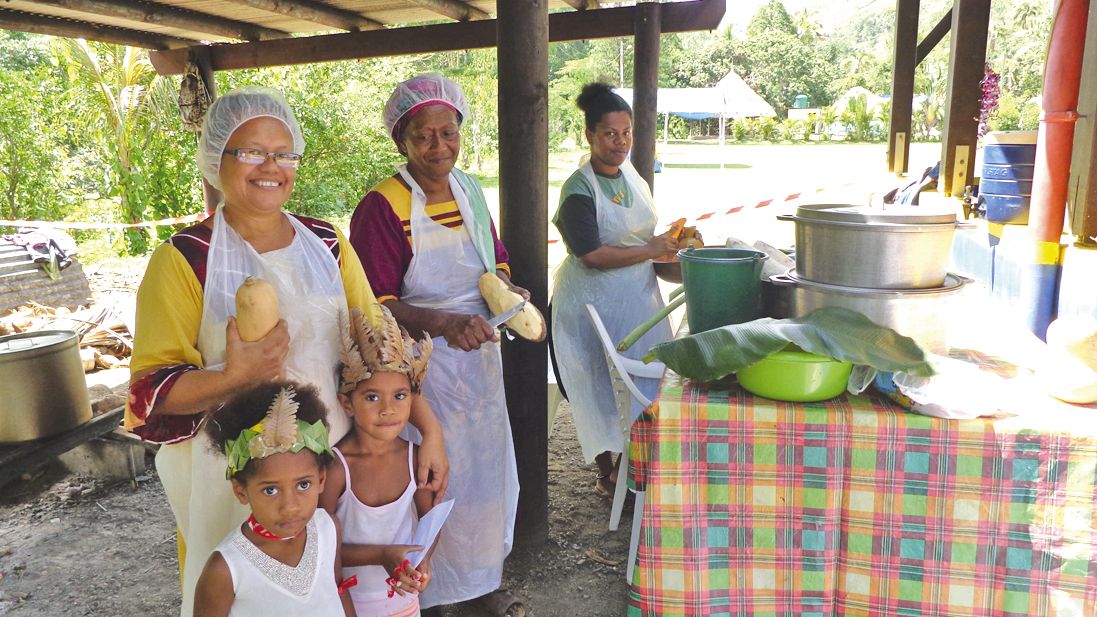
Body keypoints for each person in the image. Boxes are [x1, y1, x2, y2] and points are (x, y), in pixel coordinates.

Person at [125, 86, 448, 617]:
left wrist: (429, 430)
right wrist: (235, 377)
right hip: (235, 482)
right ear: (216, 159)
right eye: (252, 152)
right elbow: (148, 395)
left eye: (284, 153)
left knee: (325, 590)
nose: (271, 167)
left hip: (321, 473)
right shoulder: (184, 259)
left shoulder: (327, 244)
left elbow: (381, 351)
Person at [348, 73, 524, 617]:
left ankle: (481, 581)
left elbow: (494, 259)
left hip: (479, 355)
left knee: (484, 473)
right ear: (401, 140)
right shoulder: (382, 206)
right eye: (423, 136)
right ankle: (431, 592)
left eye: (448, 133)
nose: (438, 147)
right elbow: (375, 304)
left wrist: (505, 290)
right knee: (433, 476)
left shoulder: (469, 189)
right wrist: (444, 324)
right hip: (420, 368)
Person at [550, 82, 676, 496]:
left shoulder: (632, 176)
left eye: (626, 133)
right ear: (589, 135)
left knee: (646, 381)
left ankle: (631, 469)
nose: (620, 142)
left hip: (636, 299)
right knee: (597, 386)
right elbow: (591, 255)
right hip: (590, 302)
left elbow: (640, 236)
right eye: (609, 133)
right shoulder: (578, 189)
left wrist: (668, 249)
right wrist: (650, 250)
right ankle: (608, 474)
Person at [193, 382, 356, 617]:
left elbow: (338, 588)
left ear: (321, 479)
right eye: (270, 490)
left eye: (303, 485)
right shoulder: (226, 569)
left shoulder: (327, 528)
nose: (290, 506)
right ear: (241, 491)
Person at [321, 304, 439, 617]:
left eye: (400, 396)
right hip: (348, 603)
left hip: (403, 602)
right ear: (347, 403)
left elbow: (431, 522)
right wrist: (381, 555)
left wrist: (423, 561)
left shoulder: (416, 459)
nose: (388, 409)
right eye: (372, 397)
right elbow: (319, 546)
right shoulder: (337, 467)